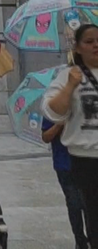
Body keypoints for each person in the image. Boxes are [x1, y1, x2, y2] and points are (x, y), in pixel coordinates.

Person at [43, 23, 98, 249]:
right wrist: (71, 85)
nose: (96, 45)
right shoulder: (68, 75)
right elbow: (52, 110)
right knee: (93, 215)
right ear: (77, 47)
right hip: (85, 159)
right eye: (89, 41)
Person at [43, 115, 88, 249]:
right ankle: (80, 240)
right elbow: (46, 137)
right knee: (74, 203)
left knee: (88, 203)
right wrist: (60, 124)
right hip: (65, 164)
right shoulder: (55, 105)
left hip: (87, 161)